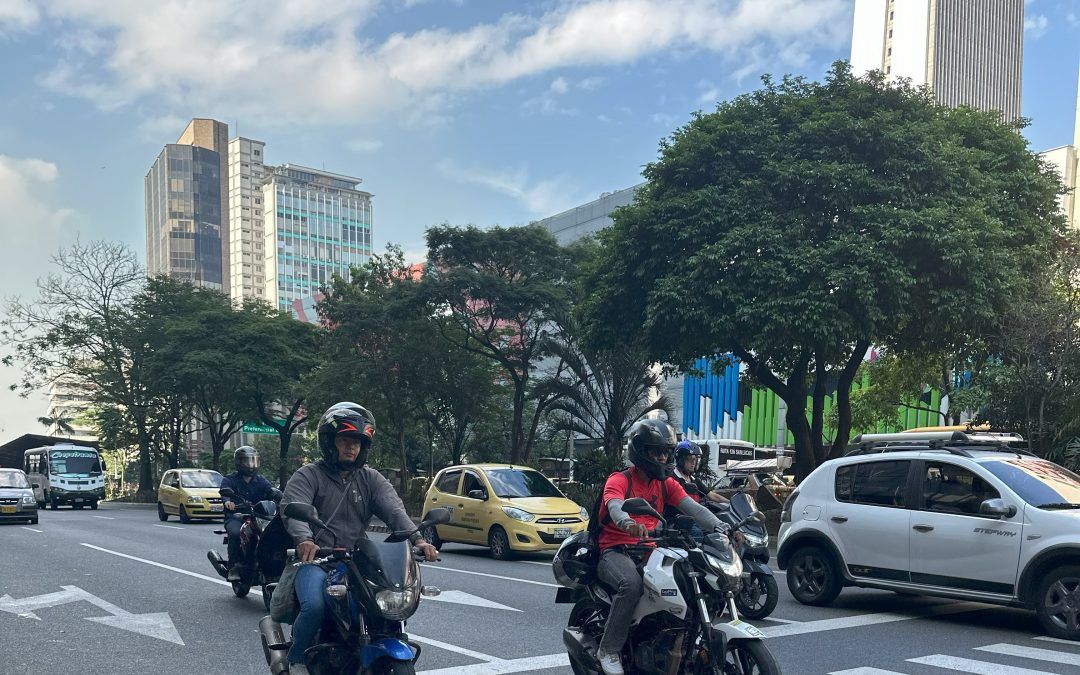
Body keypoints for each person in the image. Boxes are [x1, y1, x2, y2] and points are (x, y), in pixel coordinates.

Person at [282, 403, 438, 674]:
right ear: (329, 442)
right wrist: (304, 539)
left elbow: (395, 512)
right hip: (319, 561)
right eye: (344, 440)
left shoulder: (371, 479)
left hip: (357, 562)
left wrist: (419, 540)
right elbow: (294, 509)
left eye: (356, 442)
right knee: (315, 606)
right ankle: (296, 661)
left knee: (386, 605)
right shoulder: (308, 475)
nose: (350, 447)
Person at [594, 419, 730, 675]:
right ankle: (609, 649)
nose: (663, 457)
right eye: (657, 451)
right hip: (615, 549)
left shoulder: (665, 482)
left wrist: (721, 526)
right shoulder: (620, 479)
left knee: (689, 578)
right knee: (631, 585)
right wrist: (627, 523)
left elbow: (693, 507)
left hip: (651, 548)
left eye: (666, 451)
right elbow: (614, 504)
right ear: (640, 452)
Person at [220, 446, 275, 581]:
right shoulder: (230, 479)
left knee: (274, 534)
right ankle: (234, 567)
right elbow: (225, 491)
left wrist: (280, 496)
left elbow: (271, 491)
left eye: (253, 461)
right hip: (236, 517)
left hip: (259, 517)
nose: (251, 465)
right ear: (238, 462)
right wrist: (228, 502)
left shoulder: (261, 480)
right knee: (235, 533)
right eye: (247, 462)